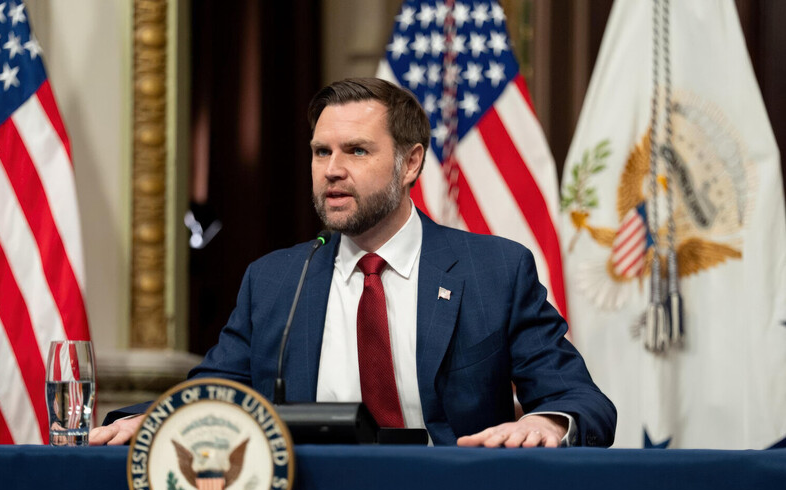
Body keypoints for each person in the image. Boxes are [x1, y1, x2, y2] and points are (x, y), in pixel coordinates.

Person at [91, 78, 616, 447]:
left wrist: (548, 423)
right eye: (321, 152)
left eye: (357, 151)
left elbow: (579, 399)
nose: (332, 170)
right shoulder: (276, 280)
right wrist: (154, 420)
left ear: (411, 163)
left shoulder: (494, 271)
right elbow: (213, 391)